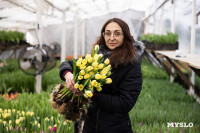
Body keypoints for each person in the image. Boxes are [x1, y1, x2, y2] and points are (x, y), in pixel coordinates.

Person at [59, 18, 144, 133]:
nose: (112, 38)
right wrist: (68, 75)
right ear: (103, 36)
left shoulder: (132, 65)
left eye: (117, 34)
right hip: (90, 125)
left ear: (125, 36)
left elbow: (124, 103)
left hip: (115, 128)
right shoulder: (97, 57)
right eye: (108, 33)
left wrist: (92, 95)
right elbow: (67, 64)